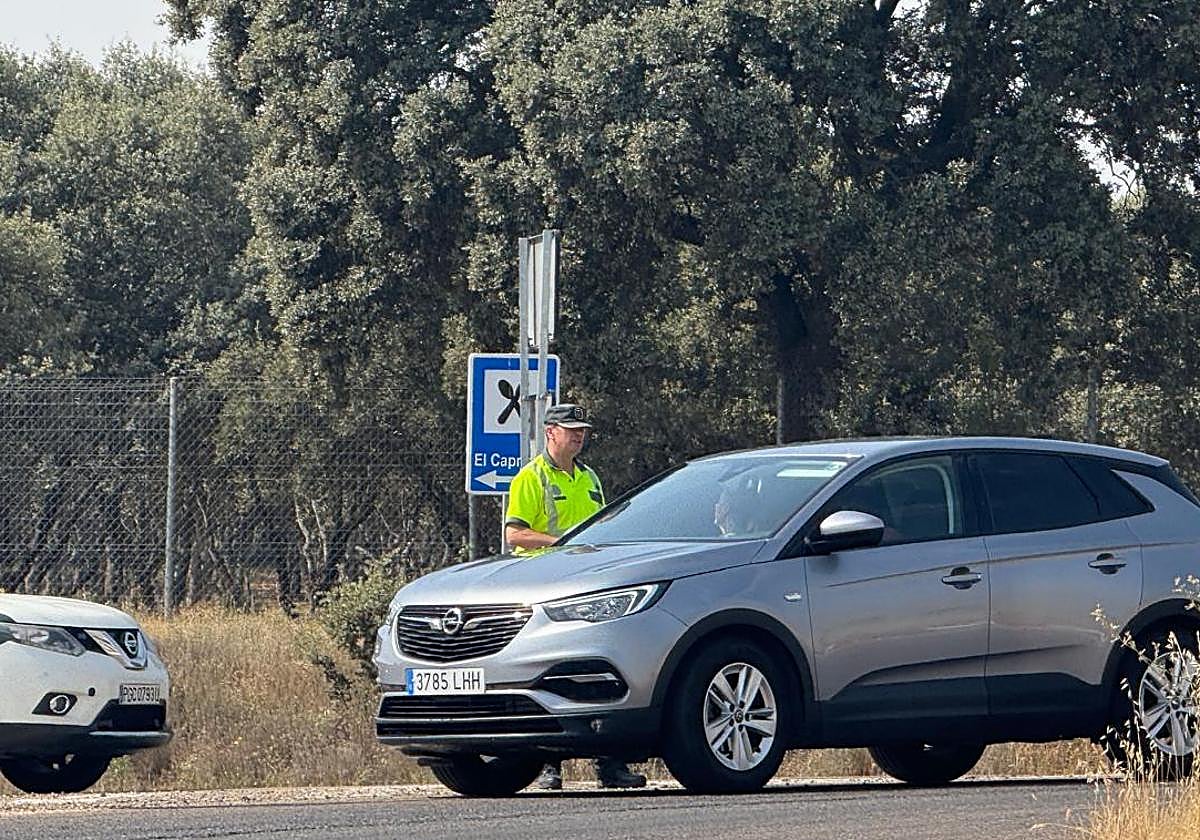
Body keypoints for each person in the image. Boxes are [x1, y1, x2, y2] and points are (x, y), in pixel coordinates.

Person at [505, 402, 647, 791]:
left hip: (588, 582)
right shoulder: (531, 478)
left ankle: (610, 764)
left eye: (582, 430)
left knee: (598, 668)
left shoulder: (589, 477)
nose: (579, 436)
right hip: (545, 583)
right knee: (548, 672)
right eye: (571, 430)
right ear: (550, 432)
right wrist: (561, 545)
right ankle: (549, 766)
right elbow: (515, 534)